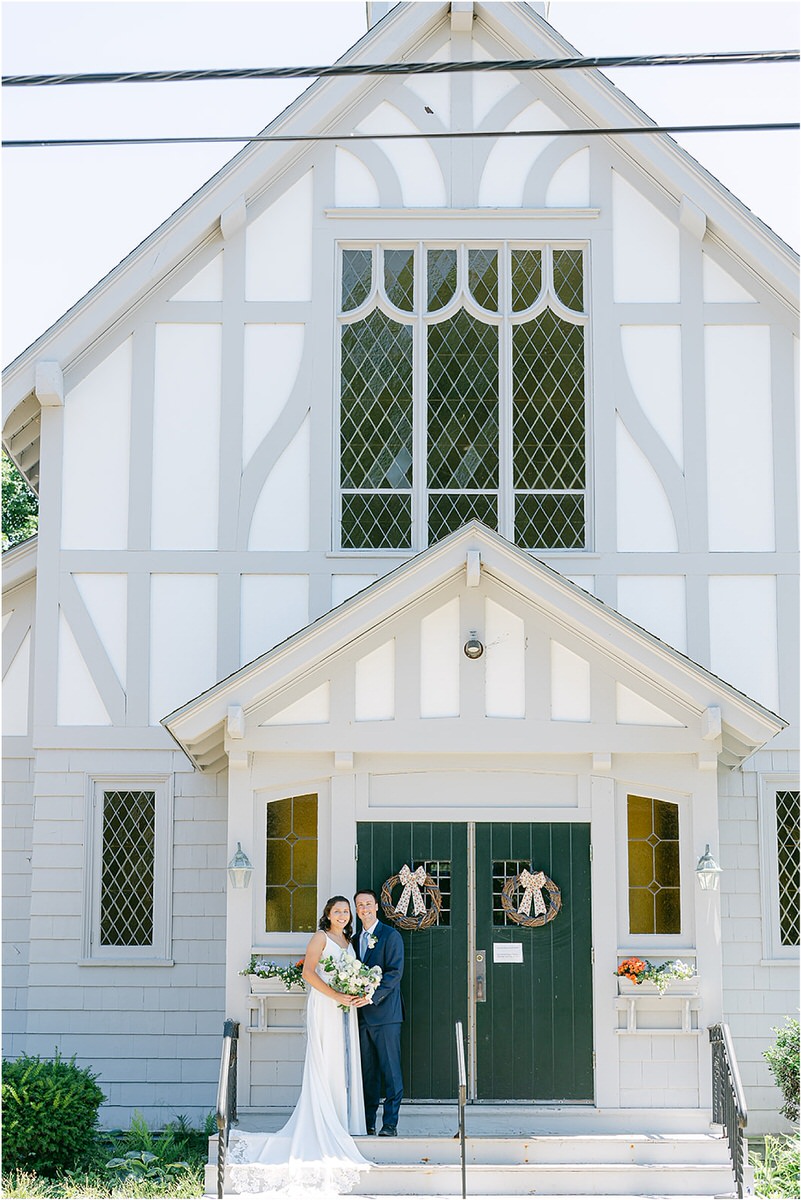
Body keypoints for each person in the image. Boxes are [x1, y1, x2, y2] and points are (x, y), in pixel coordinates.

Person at [229, 897, 373, 1195]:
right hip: (326, 1005)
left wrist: (358, 992)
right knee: (328, 1060)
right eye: (338, 911)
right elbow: (308, 973)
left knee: (345, 1062)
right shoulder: (320, 937)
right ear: (327, 915)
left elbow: (353, 975)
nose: (343, 915)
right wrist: (336, 994)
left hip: (346, 1006)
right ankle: (326, 1120)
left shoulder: (348, 939)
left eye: (346, 911)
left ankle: (345, 1120)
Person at [352, 889, 405, 1137]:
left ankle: (390, 1124)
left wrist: (371, 997)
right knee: (367, 1072)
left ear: (376, 907)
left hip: (386, 1015)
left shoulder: (390, 936)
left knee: (390, 1070)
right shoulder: (353, 940)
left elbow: (394, 973)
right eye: (360, 905)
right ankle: (368, 1122)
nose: (364, 908)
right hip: (360, 1018)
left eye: (368, 904)